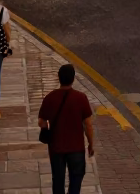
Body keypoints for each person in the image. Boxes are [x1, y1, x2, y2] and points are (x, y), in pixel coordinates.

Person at [38, 63, 95, 194]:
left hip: (56, 148)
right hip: (76, 148)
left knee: (58, 181)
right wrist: (91, 144)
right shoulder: (81, 98)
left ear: (59, 78)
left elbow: (41, 121)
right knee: (76, 180)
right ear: (73, 78)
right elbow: (88, 125)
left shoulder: (50, 98)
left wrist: (47, 127)